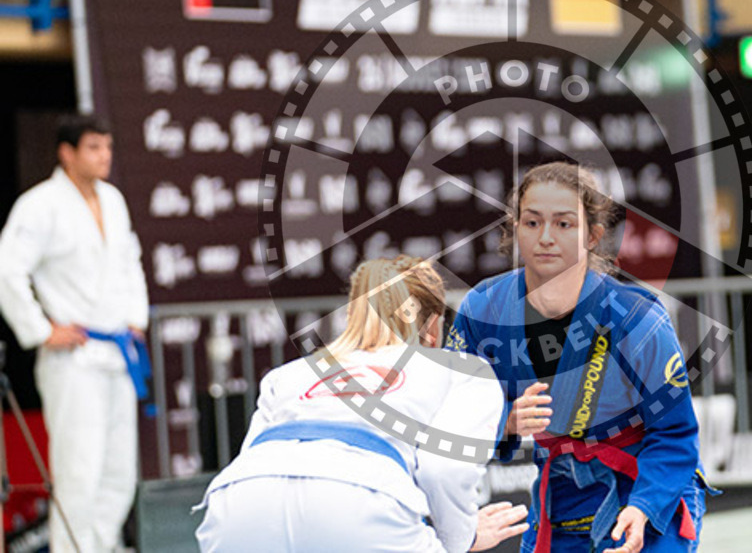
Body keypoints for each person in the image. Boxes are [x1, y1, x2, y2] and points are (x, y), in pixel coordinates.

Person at [445, 162, 710, 553]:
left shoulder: (636, 318)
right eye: (532, 223)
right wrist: (503, 422)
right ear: (514, 229)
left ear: (593, 236)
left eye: (565, 224)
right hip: (562, 494)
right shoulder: (484, 310)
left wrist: (644, 507)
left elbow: (674, 433)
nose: (546, 238)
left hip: (646, 487)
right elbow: (453, 413)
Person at [195, 255, 529, 552]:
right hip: (361, 504)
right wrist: (461, 540)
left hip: (239, 506)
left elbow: (251, 452)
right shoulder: (460, 369)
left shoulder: (288, 374)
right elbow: (444, 468)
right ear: (431, 326)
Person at [0, 115, 150, 553]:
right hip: (74, 360)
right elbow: (6, 268)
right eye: (93, 148)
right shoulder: (40, 204)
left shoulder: (114, 200)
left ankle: (104, 547)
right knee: (79, 472)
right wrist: (42, 329)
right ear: (67, 153)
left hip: (116, 351)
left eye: (107, 147)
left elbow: (130, 261)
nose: (104, 156)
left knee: (120, 473)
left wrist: (135, 317)